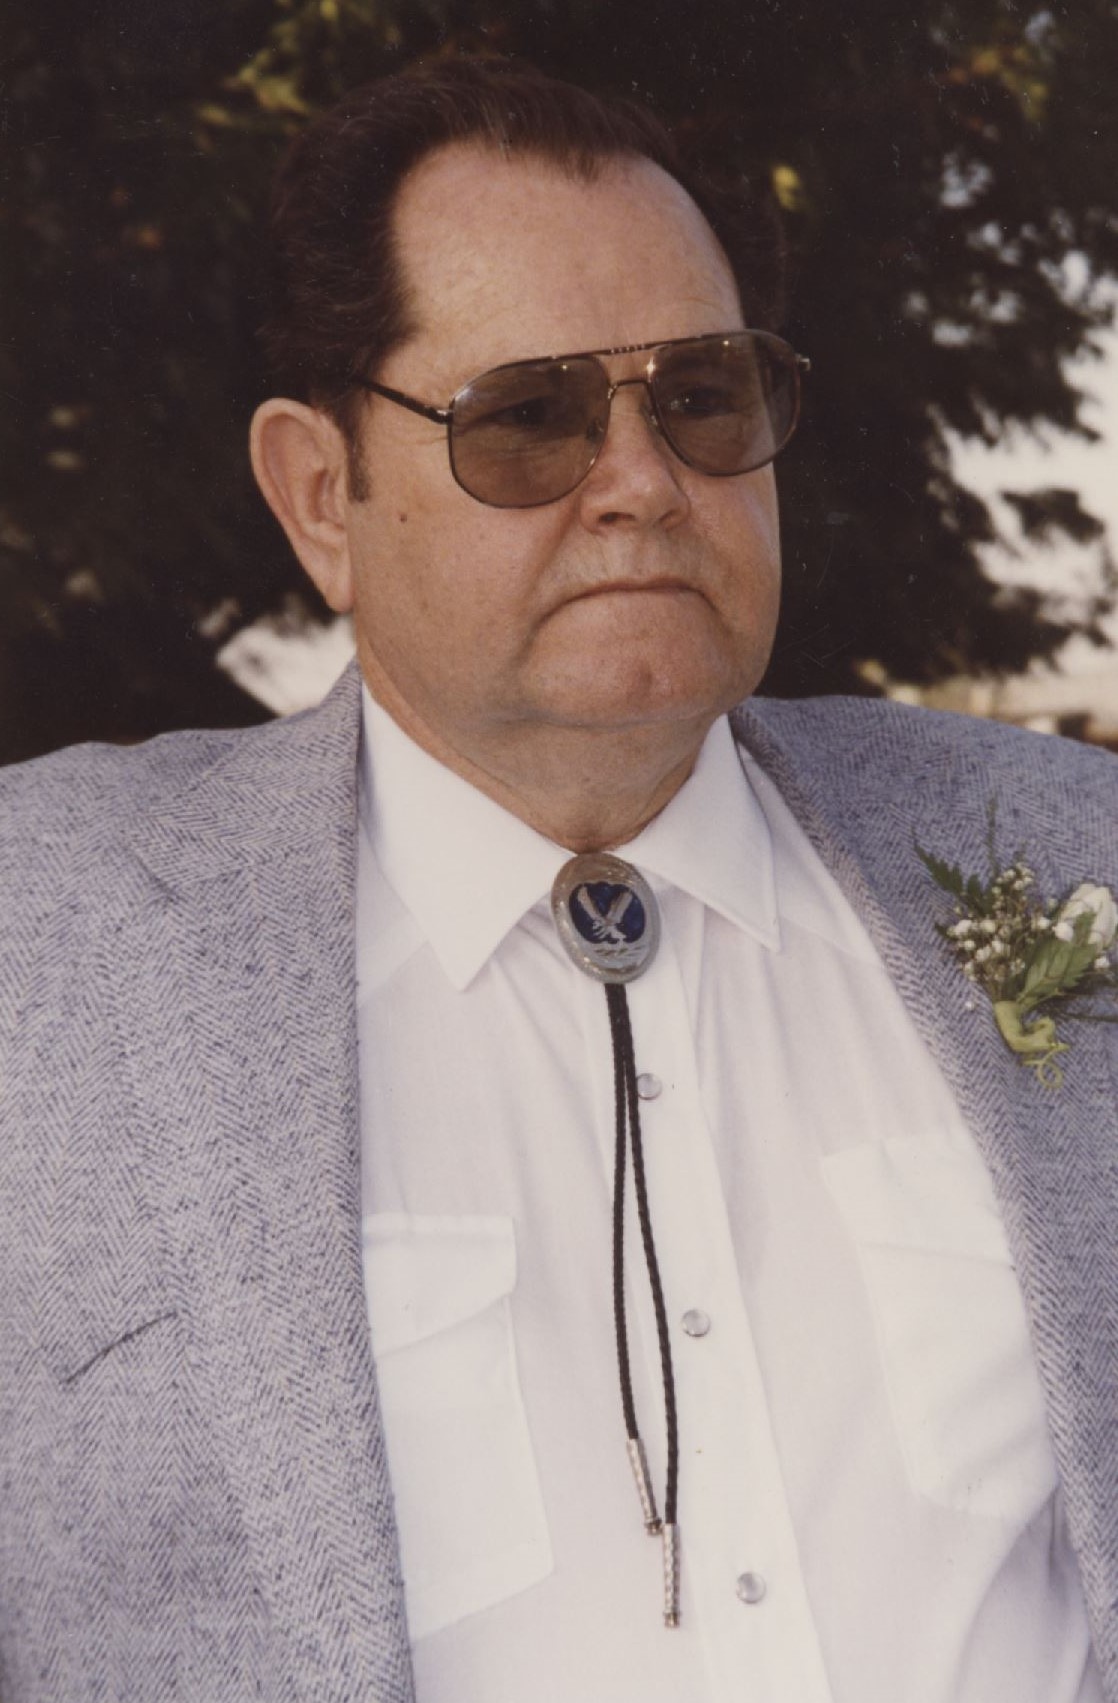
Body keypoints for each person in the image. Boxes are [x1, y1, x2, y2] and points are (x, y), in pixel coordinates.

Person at [0, 55, 1115, 1703]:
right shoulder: (45, 945)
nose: (644, 483)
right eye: (527, 417)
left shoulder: (1068, 854)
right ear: (321, 495)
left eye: (702, 398)